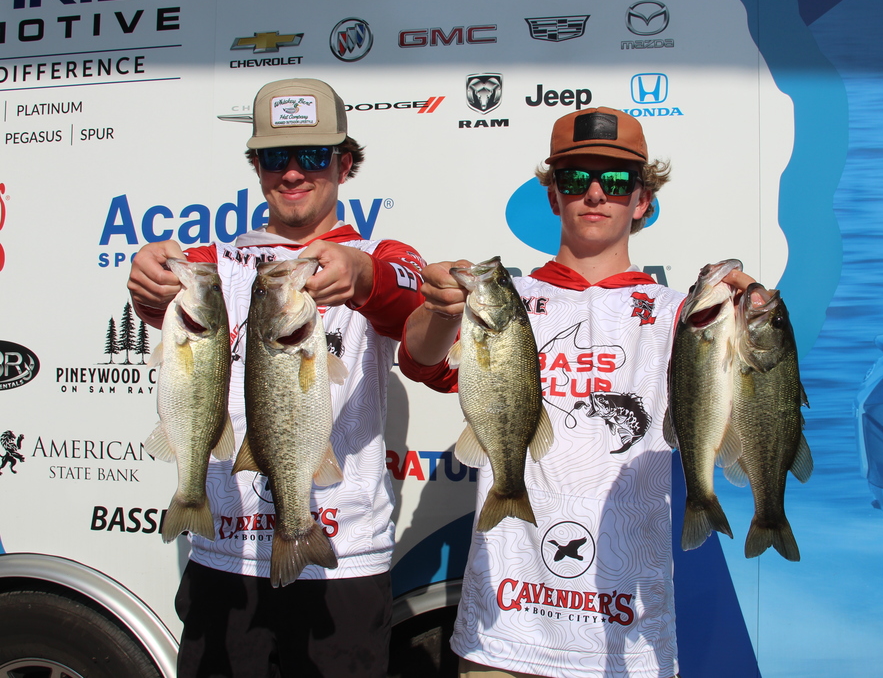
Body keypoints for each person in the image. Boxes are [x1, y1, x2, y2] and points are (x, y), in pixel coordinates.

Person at [399, 107, 753, 678]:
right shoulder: (504, 300)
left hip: (625, 638)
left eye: (616, 180)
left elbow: (739, 400)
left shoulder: (683, 315)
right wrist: (439, 311)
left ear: (643, 199)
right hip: (504, 633)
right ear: (552, 195)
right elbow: (421, 361)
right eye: (574, 178)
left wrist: (757, 321)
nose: (594, 193)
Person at [128, 78, 425, 678]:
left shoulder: (381, 254)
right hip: (225, 555)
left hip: (343, 559)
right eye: (274, 157)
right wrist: (148, 279)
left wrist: (365, 277)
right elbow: (164, 305)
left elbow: (416, 314)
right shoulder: (213, 264)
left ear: (344, 163)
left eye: (313, 155)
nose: (293, 172)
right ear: (257, 167)